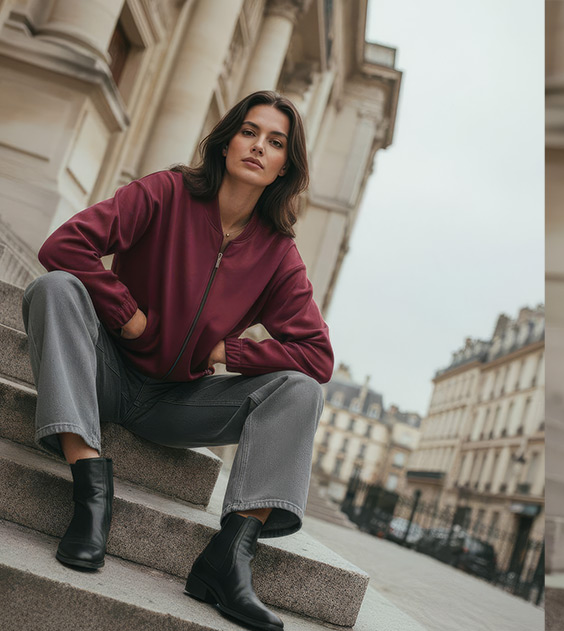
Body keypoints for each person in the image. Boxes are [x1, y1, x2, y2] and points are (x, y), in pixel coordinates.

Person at [20, 90, 332, 631]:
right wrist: (126, 314)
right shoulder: (167, 192)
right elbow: (65, 244)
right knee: (54, 288)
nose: (259, 147)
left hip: (178, 404)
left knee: (302, 390)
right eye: (250, 132)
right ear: (228, 140)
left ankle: (229, 558)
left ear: (286, 165)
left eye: (275, 142)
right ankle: (91, 490)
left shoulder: (278, 254)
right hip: (105, 371)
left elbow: (317, 355)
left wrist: (230, 352)